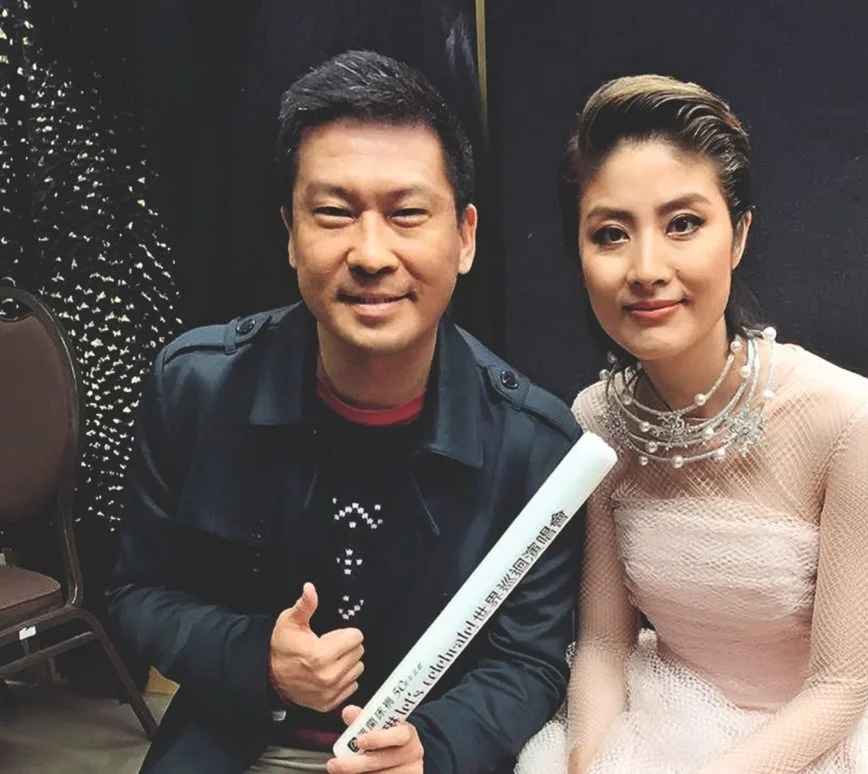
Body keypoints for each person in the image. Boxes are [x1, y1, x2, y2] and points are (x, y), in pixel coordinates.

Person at [107, 50, 583, 774]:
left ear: (465, 237)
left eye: (407, 214)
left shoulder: (537, 446)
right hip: (233, 735)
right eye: (333, 213)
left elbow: (530, 662)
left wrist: (436, 746)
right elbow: (138, 593)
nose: (370, 253)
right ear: (290, 233)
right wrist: (256, 656)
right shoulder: (196, 387)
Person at [516, 75, 868, 773]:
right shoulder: (598, 418)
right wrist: (590, 757)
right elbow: (605, 646)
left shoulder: (848, 416)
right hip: (655, 721)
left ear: (738, 235)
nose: (646, 268)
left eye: (683, 224)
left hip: (815, 740)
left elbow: (841, 686)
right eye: (610, 234)